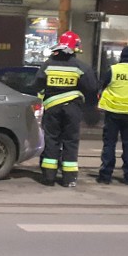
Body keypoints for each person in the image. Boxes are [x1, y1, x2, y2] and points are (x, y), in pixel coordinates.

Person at [32, 30, 98, 187]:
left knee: (51, 140)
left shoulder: (47, 65)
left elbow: (37, 85)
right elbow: (92, 88)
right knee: (70, 141)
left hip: (52, 108)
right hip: (72, 109)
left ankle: (48, 177)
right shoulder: (81, 67)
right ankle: (69, 178)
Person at [96, 45, 128, 185]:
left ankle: (105, 175)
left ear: (121, 56)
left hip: (112, 112)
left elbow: (103, 85)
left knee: (109, 145)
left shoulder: (113, 70)